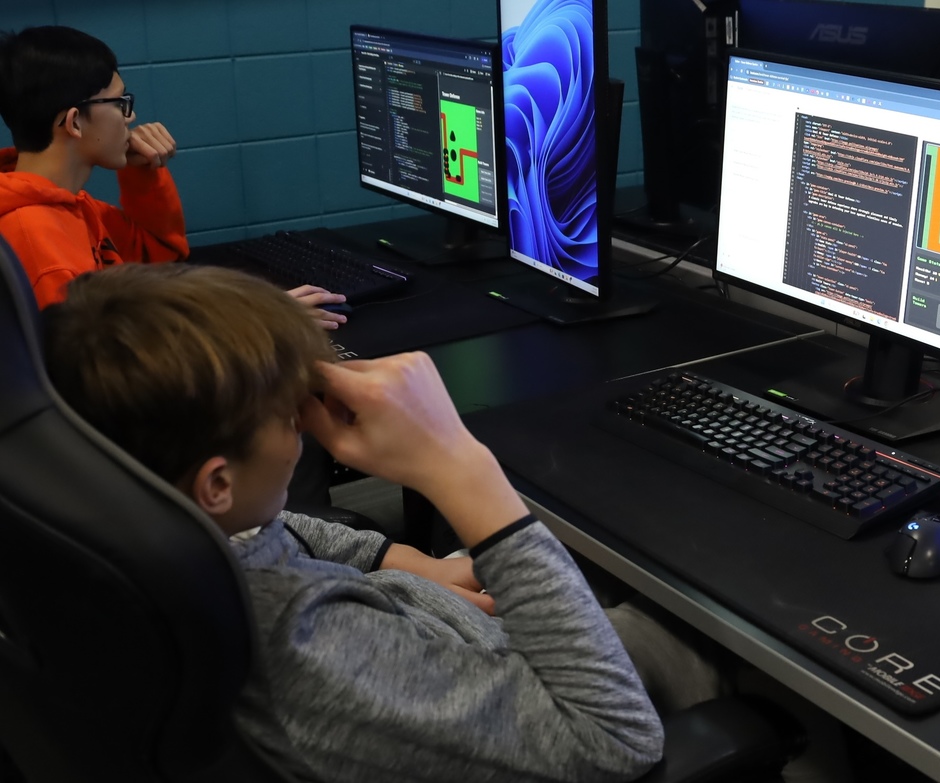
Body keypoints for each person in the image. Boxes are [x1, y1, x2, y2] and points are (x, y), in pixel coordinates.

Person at [41, 262, 668, 783]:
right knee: (696, 622)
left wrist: (396, 558)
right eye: (287, 414)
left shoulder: (147, 520)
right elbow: (614, 737)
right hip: (545, 692)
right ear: (217, 484)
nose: (304, 427)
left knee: (586, 552)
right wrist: (460, 467)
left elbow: (274, 530)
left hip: (431, 625)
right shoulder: (307, 647)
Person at [0, 25, 348, 330]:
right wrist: (263, 317)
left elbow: (158, 260)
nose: (131, 116)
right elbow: (108, 367)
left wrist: (141, 173)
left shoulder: (70, 206)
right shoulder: (38, 240)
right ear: (75, 122)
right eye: (120, 103)